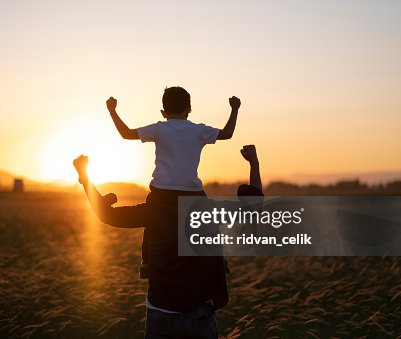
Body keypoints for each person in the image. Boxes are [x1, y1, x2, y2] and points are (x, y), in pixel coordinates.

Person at [73, 145, 263, 339]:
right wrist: (254, 164)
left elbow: (107, 214)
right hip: (198, 314)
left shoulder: (152, 210)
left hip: (160, 313)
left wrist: (85, 178)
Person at [106, 87, 241, 277]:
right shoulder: (198, 130)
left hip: (162, 192)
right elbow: (227, 133)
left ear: (163, 112)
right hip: (191, 192)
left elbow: (126, 133)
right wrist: (235, 109)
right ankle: (219, 259)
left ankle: (147, 261)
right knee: (209, 223)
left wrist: (112, 110)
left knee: (150, 217)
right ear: (189, 109)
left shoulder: (159, 128)